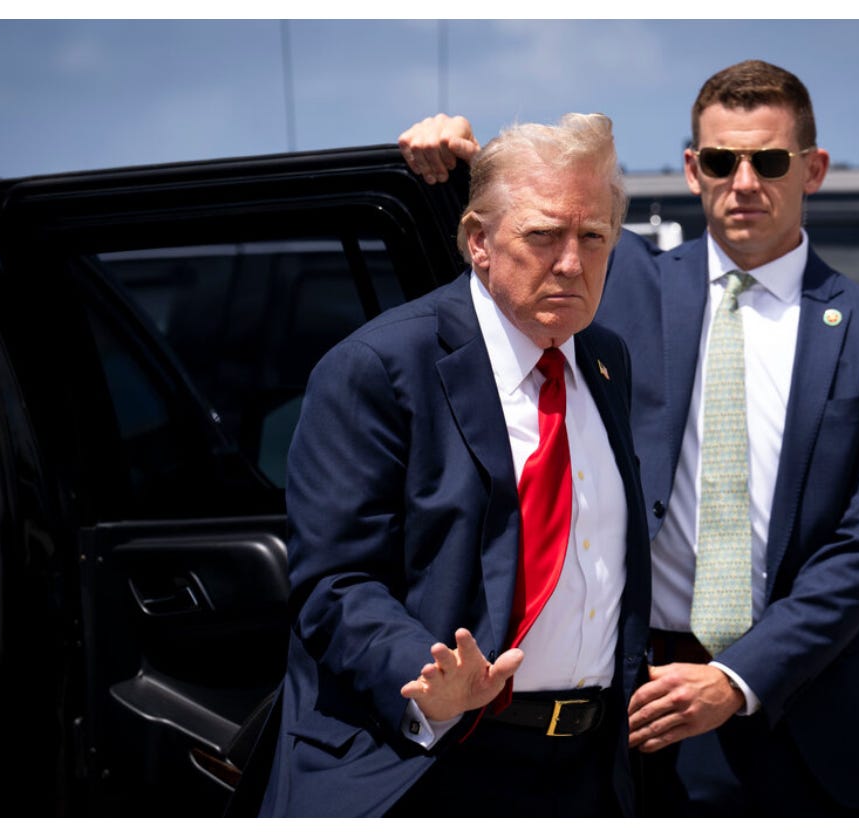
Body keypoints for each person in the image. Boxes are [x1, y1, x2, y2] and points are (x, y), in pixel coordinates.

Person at [399, 59, 859, 816]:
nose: (744, 182)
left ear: (813, 169)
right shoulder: (622, 282)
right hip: (636, 702)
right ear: (690, 169)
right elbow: (518, 245)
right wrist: (453, 165)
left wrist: (737, 678)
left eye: (770, 161)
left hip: (801, 702)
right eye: (720, 160)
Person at [259, 113, 650, 817]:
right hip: (434, 764)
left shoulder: (604, 358)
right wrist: (425, 675)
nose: (571, 262)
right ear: (478, 242)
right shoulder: (378, 366)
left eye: (594, 237)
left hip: (589, 772)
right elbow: (335, 581)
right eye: (543, 235)